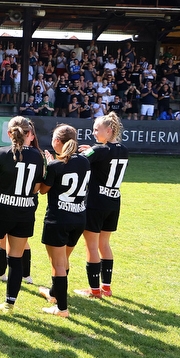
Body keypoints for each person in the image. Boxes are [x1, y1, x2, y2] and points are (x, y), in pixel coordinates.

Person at [0, 117, 45, 314]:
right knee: (15, 259)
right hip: (25, 213)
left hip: (1, 212)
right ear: (29, 133)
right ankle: (9, 304)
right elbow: (37, 188)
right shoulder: (38, 156)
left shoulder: (0, 153)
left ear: (9, 133)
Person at [37, 125, 90, 317]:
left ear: (57, 142)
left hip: (58, 220)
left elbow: (43, 190)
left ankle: (61, 308)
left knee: (58, 264)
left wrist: (49, 165)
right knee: (63, 261)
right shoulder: (84, 162)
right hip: (79, 218)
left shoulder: (55, 165)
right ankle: (54, 293)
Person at [76, 112, 128, 298]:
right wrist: (93, 149)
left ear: (109, 130)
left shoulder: (98, 150)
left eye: (97, 129)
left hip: (95, 203)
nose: (93, 133)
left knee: (91, 246)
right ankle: (106, 288)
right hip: (113, 202)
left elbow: (79, 161)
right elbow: (106, 157)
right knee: (104, 244)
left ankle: (94, 290)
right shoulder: (123, 149)